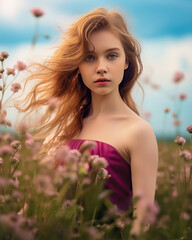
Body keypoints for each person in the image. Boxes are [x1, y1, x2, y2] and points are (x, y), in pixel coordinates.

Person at [17, 7, 158, 236]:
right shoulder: (65, 126)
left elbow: (141, 224)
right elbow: (33, 208)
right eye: (89, 57)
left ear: (126, 62)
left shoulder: (138, 131)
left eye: (111, 55)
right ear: (78, 66)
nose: (101, 67)